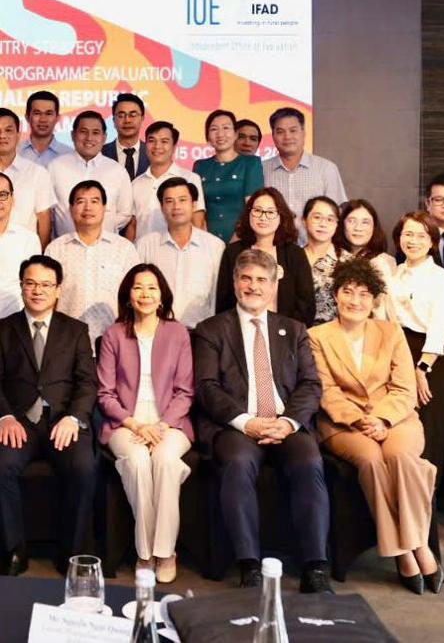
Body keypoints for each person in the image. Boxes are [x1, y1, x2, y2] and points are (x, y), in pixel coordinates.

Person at [193, 249, 332, 592]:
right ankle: (249, 565)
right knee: (239, 462)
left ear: (273, 286)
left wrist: (288, 423)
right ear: (235, 283)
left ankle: (315, 567)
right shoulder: (212, 329)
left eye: (261, 280)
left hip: (285, 423)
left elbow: (310, 384)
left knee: (309, 461)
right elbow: (207, 387)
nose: (253, 286)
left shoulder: (294, 329)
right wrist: (246, 422)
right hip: (236, 425)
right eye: (246, 278)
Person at [309, 259, 443, 595]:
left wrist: (382, 419)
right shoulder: (317, 337)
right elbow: (326, 390)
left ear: (375, 300)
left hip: (395, 417)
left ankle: (415, 545)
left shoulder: (391, 332)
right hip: (344, 423)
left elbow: (404, 387)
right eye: (348, 292)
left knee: (401, 458)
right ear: (336, 295)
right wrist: (361, 420)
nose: (355, 301)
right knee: (370, 460)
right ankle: (408, 550)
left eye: (364, 294)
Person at [97, 264, 194, 584]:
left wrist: (162, 426)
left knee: (165, 460)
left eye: (152, 287)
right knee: (138, 462)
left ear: (162, 295)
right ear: (128, 295)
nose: (145, 294)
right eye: (138, 287)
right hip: (125, 422)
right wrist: (137, 426)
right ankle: (144, 552)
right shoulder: (113, 335)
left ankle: (165, 552)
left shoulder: (178, 333)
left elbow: (185, 391)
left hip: (171, 422)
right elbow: (105, 394)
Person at [0, 255, 97, 576]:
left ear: (58, 289)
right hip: (19, 423)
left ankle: (71, 554)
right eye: (31, 283)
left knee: (84, 467)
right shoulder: (4, 329)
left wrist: (74, 417)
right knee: (2, 466)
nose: (37, 290)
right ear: (21, 286)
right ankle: (14, 551)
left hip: (62, 422)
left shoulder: (76, 330)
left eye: (45, 284)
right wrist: (4, 417)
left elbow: (87, 382)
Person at [388, 211, 444, 487]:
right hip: (397, 352)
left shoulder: (442, 279)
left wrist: (421, 368)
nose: (413, 241)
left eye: (421, 235)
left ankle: (427, 500)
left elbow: (441, 327)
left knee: (429, 430)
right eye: (408, 234)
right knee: (401, 428)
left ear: (432, 242)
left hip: (429, 359)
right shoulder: (395, 275)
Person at [45, 180, 140, 349]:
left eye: (95, 201)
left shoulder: (124, 249)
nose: (88, 207)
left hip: (114, 343)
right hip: (66, 344)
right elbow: (47, 299)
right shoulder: (56, 249)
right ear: (71, 208)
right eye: (81, 201)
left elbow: (135, 296)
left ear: (104, 208)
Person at [215, 188, 315, 326]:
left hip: (286, 332)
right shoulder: (232, 252)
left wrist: (288, 333)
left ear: (281, 217)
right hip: (239, 330)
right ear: (249, 214)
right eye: (257, 210)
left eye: (270, 212)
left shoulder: (294, 254)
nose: (263, 217)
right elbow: (223, 302)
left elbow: (306, 304)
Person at [137, 178, 225, 329]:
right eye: (169, 201)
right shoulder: (145, 245)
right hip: (156, 331)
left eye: (182, 200)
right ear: (162, 207)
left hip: (201, 333)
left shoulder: (215, 246)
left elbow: (219, 296)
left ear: (194, 205)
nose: (176, 206)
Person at [262, 107, 347, 242]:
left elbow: (336, 212)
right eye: (280, 132)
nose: (287, 137)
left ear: (303, 132)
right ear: (273, 136)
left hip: (315, 247)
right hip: (273, 247)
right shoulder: (261, 169)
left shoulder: (326, 168)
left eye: (293, 130)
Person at [49, 111, 133, 237]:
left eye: (95, 132)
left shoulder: (117, 171)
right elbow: (47, 211)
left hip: (105, 246)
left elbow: (125, 213)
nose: (89, 138)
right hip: (63, 245)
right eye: (83, 131)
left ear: (104, 137)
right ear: (73, 135)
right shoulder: (55, 167)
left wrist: (102, 228)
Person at [126, 121, 206, 241]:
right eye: (152, 141)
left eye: (164, 141)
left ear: (174, 147)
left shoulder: (190, 178)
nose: (157, 146)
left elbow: (198, 222)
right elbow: (133, 226)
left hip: (177, 249)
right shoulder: (136, 183)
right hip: (142, 250)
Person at [193, 110, 263, 242]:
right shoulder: (200, 166)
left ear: (235, 134)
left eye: (226, 128)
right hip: (208, 241)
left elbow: (253, 207)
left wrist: (233, 245)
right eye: (214, 129)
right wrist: (206, 242)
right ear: (208, 137)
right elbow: (197, 211)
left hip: (242, 240)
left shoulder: (251, 163)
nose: (220, 134)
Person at [0, 108, 55, 247]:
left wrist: (40, 254)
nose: (2, 135)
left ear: (18, 135)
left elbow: (44, 219)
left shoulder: (37, 173)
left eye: (8, 130)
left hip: (24, 251)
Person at [335, 199, 396, 320]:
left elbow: (385, 311)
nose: (358, 228)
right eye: (351, 221)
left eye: (365, 222)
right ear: (342, 224)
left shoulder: (383, 262)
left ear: (374, 227)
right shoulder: (332, 257)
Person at [301, 196, 351, 325]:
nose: (323, 224)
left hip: (335, 332)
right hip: (297, 332)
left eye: (330, 219)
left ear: (336, 224)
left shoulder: (348, 262)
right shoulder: (293, 257)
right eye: (317, 217)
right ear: (304, 221)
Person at [0, 173, 41, 318]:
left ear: (13, 199)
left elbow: (34, 286)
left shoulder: (28, 239)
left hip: (15, 322)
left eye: (3, 195)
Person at [18, 91, 72, 167]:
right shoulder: (14, 153)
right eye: (37, 113)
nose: (43, 119)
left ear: (57, 118)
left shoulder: (69, 155)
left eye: (48, 113)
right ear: (27, 117)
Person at [101, 93, 148, 180]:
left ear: (142, 119)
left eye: (132, 115)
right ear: (113, 120)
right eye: (121, 116)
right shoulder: (100, 153)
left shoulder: (152, 153)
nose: (127, 120)